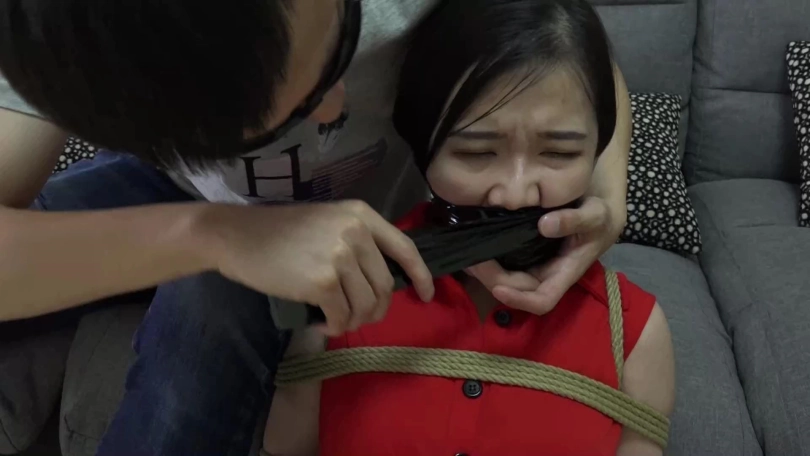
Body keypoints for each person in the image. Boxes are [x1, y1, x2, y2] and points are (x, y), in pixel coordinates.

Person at [0, 0, 633, 455]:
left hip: (373, 219)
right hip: (182, 193)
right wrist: (214, 235)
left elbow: (570, 45)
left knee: (200, 324)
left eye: (342, 43)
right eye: (295, 106)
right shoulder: (63, 35)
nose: (337, 108)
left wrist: (609, 194)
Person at [262, 0, 674, 455]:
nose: (516, 194)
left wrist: (614, 204)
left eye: (559, 153)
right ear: (423, 148)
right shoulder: (340, 303)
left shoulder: (633, 334)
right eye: (476, 153)